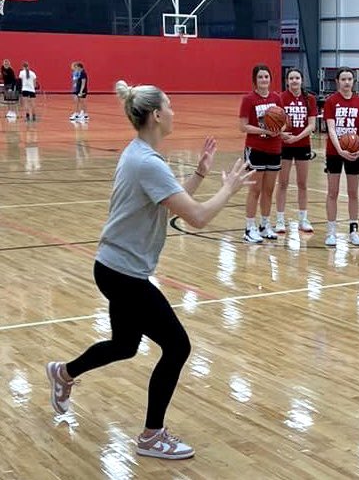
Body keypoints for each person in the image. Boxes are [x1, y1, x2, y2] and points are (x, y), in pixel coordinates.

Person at [46, 80, 253, 460]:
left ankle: (63, 373)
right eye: (170, 106)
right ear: (156, 115)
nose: (173, 112)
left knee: (125, 345)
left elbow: (171, 201)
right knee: (178, 346)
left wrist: (202, 174)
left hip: (115, 267)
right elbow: (197, 216)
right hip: (123, 273)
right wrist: (230, 188)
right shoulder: (147, 162)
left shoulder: (141, 155)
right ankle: (151, 435)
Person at [323, 67, 359, 247]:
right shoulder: (331, 101)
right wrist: (340, 149)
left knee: (353, 193)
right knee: (332, 192)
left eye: (350, 79)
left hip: (354, 151)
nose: (347, 82)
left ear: (353, 81)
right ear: (337, 82)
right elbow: (331, 128)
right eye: (343, 79)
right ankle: (331, 231)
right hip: (335, 152)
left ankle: (353, 230)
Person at [240, 64, 284, 243]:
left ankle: (265, 225)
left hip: (274, 148)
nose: (264, 80)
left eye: (266, 77)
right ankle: (249, 227)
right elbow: (243, 126)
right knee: (255, 189)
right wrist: (263, 129)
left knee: (269, 189)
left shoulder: (276, 98)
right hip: (255, 148)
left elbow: (283, 120)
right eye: (260, 77)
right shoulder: (249, 99)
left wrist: (278, 129)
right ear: (254, 80)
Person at [275, 68, 317, 233]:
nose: (294, 81)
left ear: (301, 80)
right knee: (283, 183)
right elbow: (272, 122)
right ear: (287, 81)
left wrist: (297, 138)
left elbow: (312, 125)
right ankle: (279, 219)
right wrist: (281, 133)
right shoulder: (280, 98)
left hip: (302, 145)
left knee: (302, 184)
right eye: (291, 78)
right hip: (284, 145)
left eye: (297, 78)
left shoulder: (310, 99)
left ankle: (303, 219)